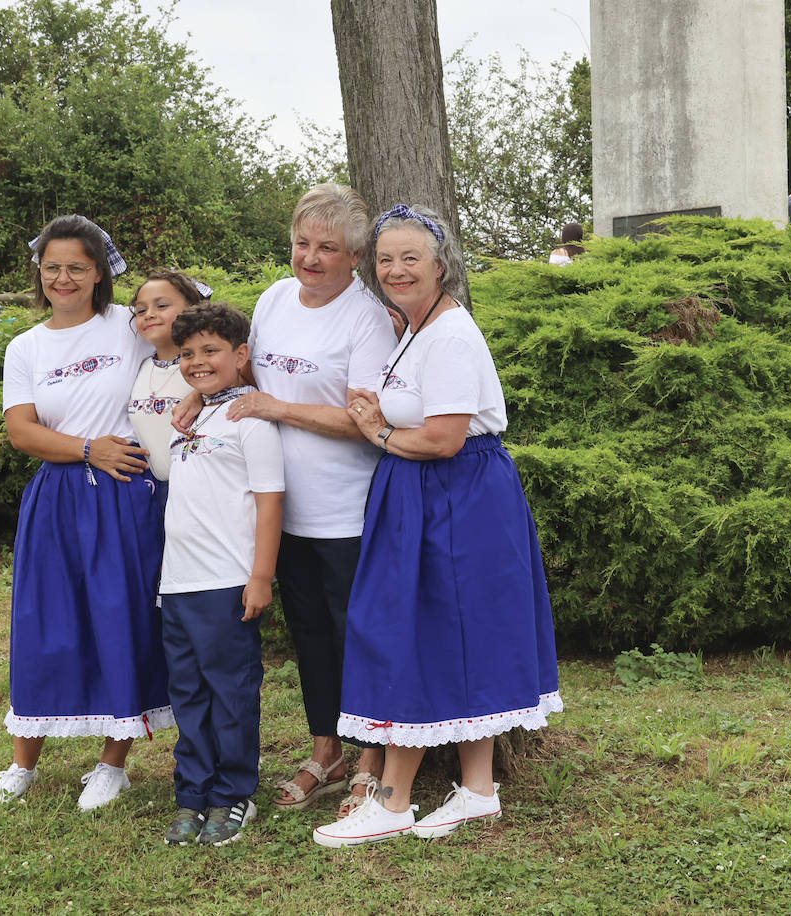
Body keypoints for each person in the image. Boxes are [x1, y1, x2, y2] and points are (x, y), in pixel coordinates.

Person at [312, 205, 563, 848]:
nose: (395, 270)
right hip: (432, 494)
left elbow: (446, 439)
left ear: (441, 266)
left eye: (410, 259)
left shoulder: (448, 334)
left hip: (454, 497)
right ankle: (477, 789)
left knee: (413, 635)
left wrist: (377, 429)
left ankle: (393, 802)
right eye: (385, 259)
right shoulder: (417, 330)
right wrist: (381, 415)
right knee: (460, 635)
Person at [177, 183, 398, 816]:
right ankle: (325, 748)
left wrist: (277, 407)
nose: (310, 257)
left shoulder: (366, 317)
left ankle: (371, 759)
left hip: (344, 508)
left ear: (354, 255)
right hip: (275, 509)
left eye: (327, 247)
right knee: (309, 635)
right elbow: (245, 372)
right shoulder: (274, 298)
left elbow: (364, 419)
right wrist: (204, 392)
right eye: (302, 243)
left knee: (355, 634)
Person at [0, 214, 172, 811]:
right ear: (39, 274)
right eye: (52, 267)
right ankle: (22, 765)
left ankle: (114, 760)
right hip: (59, 497)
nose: (62, 278)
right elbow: (21, 431)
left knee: (122, 620)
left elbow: (190, 349)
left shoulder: (128, 326)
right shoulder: (27, 346)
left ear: (100, 274)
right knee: (45, 623)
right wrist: (89, 447)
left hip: (126, 494)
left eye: (77, 268)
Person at [159, 302, 285, 847]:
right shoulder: (191, 416)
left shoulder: (249, 423)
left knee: (230, 692)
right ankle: (193, 792)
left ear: (240, 356)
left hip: (225, 582)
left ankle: (234, 794)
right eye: (187, 354)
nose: (197, 362)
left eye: (210, 351)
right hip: (177, 584)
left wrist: (261, 576)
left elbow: (270, 503)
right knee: (188, 693)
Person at [127, 270, 206, 482]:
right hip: (156, 492)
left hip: (205, 488)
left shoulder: (207, 368)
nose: (149, 314)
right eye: (141, 310)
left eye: (162, 306)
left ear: (192, 309)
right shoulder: (140, 368)